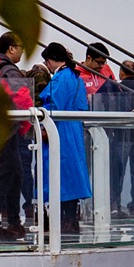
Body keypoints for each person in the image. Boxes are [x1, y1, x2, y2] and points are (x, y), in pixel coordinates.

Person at [37, 42, 93, 240]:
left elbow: (54, 105)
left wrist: (43, 125)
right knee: (72, 175)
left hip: (60, 131)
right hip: (74, 132)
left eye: (47, 61)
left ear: (52, 60)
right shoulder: (77, 78)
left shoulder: (61, 78)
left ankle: (61, 221)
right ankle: (71, 219)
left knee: (58, 175)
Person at [0, 32, 35, 242]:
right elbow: (22, 97)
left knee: (15, 173)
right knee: (4, 174)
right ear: (11, 48)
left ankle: (14, 222)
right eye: (21, 47)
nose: (23, 52)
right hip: (7, 130)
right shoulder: (9, 71)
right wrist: (30, 121)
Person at [100, 58, 134, 221]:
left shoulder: (117, 87)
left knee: (117, 171)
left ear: (121, 72)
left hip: (120, 135)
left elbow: (105, 102)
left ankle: (115, 205)